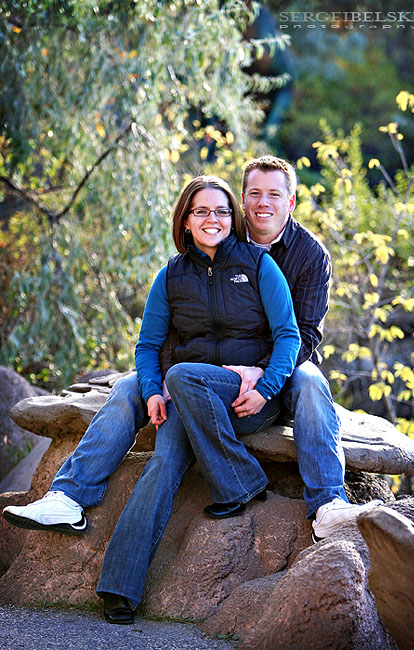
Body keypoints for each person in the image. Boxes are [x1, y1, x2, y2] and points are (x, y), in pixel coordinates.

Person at [3, 175, 301, 624]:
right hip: (187, 396)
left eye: (222, 211)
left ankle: (238, 478)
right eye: (201, 211)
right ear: (185, 220)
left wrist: (265, 388)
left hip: (245, 398)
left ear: (232, 218)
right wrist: (151, 390)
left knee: (182, 374)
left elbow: (288, 336)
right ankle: (119, 588)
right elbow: (147, 347)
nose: (213, 218)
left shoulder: (259, 265)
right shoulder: (171, 276)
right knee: (162, 462)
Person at [224, 155, 381, 543]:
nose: (263, 203)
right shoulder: (222, 239)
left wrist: (264, 372)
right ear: (242, 199)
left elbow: (308, 334)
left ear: (291, 201)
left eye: (274, 194)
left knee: (311, 382)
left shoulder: (311, 255)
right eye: (254, 193)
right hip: (228, 359)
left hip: (289, 363)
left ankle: (328, 506)